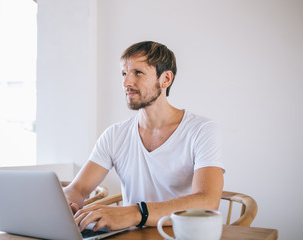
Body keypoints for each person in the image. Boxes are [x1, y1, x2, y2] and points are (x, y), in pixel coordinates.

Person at [64, 41, 225, 232]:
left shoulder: (202, 130)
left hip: (182, 235)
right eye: (124, 74)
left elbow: (207, 200)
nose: (126, 83)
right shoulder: (114, 135)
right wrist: (65, 203)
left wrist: (134, 213)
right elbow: (78, 189)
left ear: (165, 79)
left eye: (137, 73)